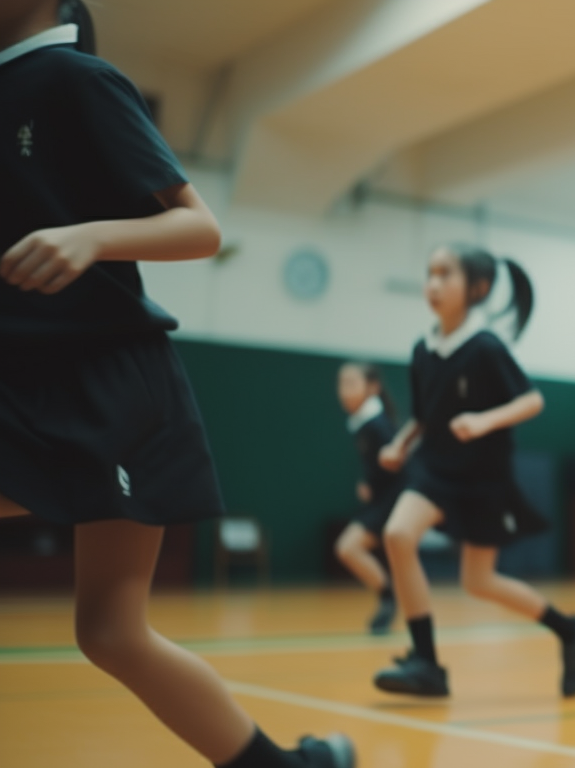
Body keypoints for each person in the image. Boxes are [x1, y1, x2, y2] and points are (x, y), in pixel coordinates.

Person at [0, 2, 353, 765]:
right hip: (23, 377)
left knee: (111, 629)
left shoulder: (75, 79)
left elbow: (200, 228)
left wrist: (91, 236)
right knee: (110, 632)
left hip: (111, 385)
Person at [372, 245, 575, 700]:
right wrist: (400, 443)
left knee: (479, 582)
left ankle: (572, 630)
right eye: (429, 273)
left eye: (445, 275)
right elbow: (423, 415)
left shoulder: (486, 347)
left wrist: (483, 420)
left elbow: (531, 400)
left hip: (482, 478)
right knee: (398, 535)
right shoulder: (423, 348)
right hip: (434, 469)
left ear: (476, 289)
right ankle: (427, 663)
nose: (433, 283)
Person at [333, 362, 405, 635]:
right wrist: (368, 482)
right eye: (341, 384)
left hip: (394, 500)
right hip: (383, 499)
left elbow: (399, 463)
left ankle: (389, 599)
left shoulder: (378, 425)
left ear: (372, 387)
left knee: (348, 547)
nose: (343, 390)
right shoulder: (363, 422)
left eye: (351, 383)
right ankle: (389, 600)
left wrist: (377, 484)